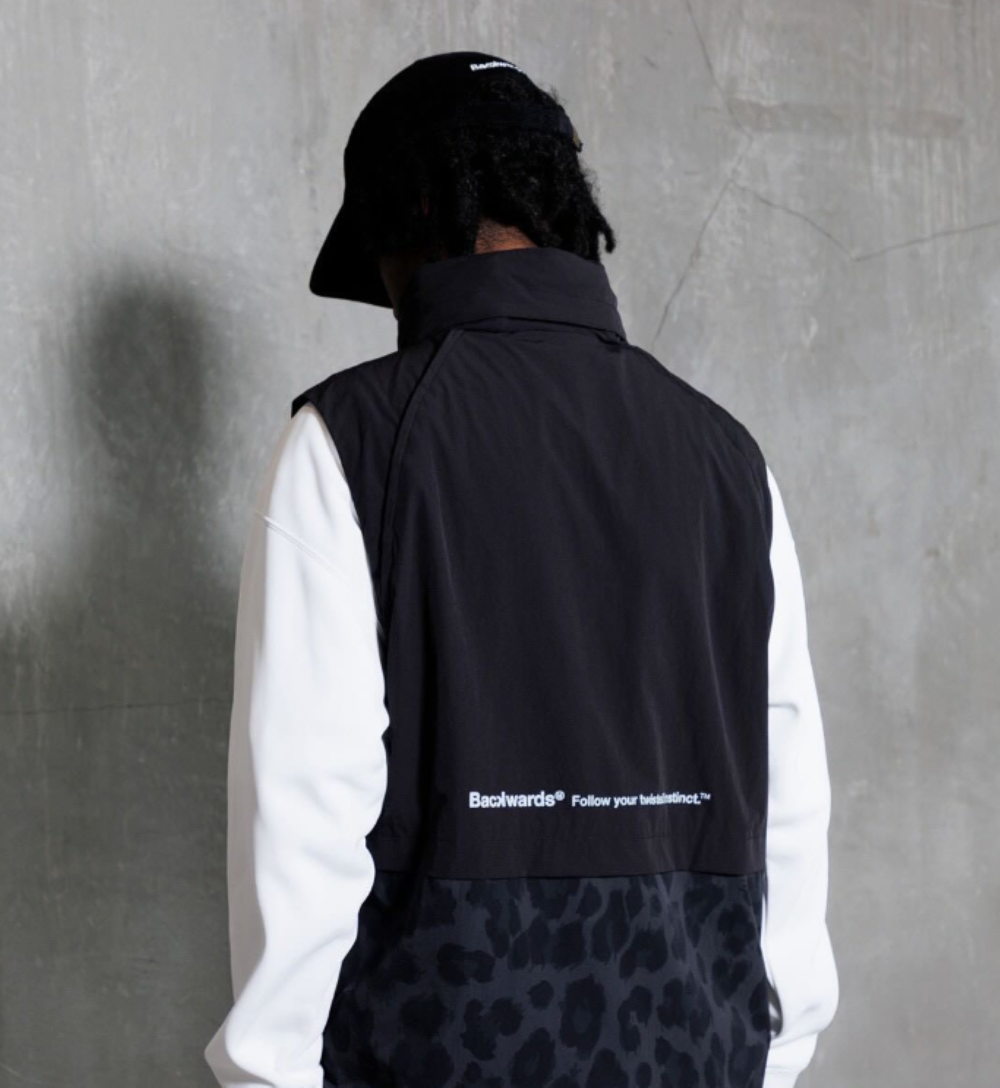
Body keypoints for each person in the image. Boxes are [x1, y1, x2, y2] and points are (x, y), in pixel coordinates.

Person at [204, 50, 839, 1088]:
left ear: (411, 215)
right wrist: (773, 1054)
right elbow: (785, 803)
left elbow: (304, 811)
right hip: (702, 1056)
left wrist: (270, 1072)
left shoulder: (350, 441)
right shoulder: (729, 457)